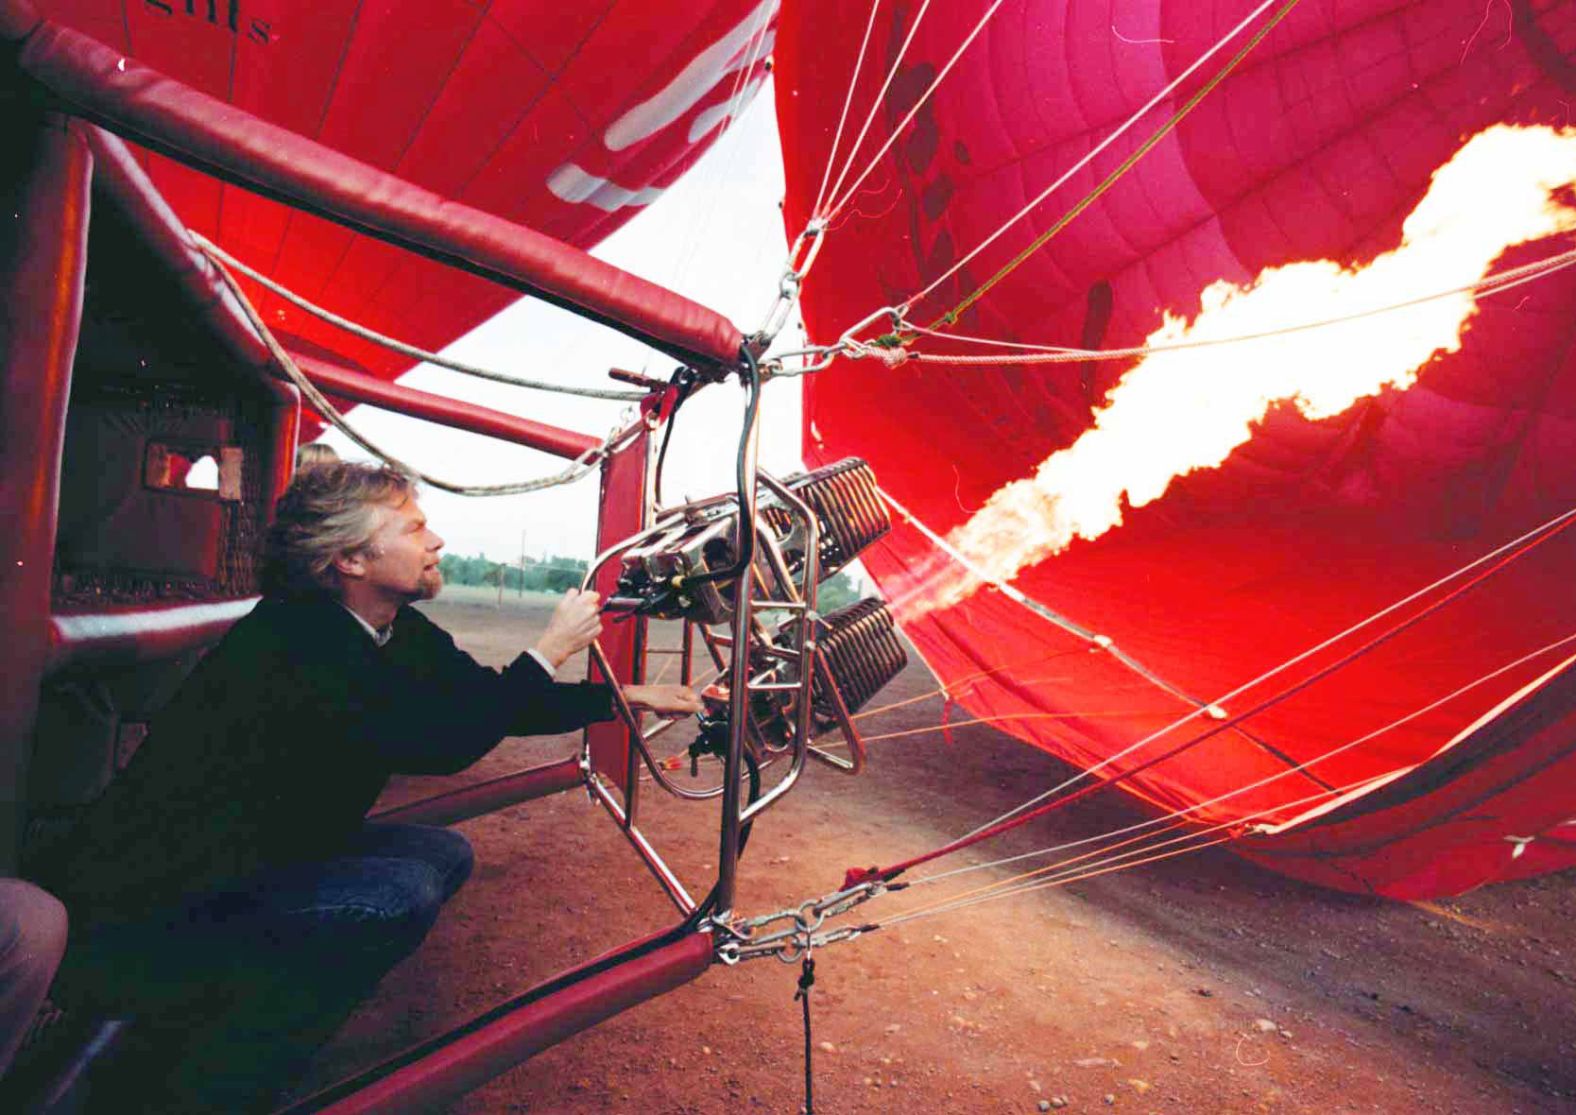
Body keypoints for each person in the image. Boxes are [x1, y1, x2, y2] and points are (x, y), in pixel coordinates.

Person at [33, 460, 699, 1111]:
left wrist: (624, 697)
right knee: (393, 895)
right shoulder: (297, 645)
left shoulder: (386, 627)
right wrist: (548, 646)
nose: (435, 540)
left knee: (441, 854)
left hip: (245, 864)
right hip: (141, 921)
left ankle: (239, 1009)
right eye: (413, 528)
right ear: (351, 560)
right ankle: (215, 1084)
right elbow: (445, 743)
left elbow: (483, 698)